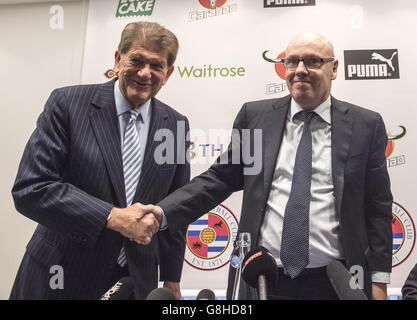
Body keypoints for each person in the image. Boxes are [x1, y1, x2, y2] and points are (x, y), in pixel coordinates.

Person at [144, 32, 393, 300]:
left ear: (333, 69)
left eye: (312, 61)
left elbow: (377, 208)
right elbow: (220, 179)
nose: (300, 70)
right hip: (263, 279)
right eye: (292, 61)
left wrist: (379, 280)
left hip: (337, 281)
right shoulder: (256, 117)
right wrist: (161, 212)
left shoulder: (365, 125)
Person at [10, 21, 190, 300]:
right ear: (118, 60)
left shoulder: (176, 125)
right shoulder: (68, 104)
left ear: (168, 74)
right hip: (60, 276)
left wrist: (171, 278)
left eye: (156, 65)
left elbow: (175, 210)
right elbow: (32, 188)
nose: (145, 73)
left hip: (133, 283)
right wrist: (112, 217)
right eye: (136, 60)